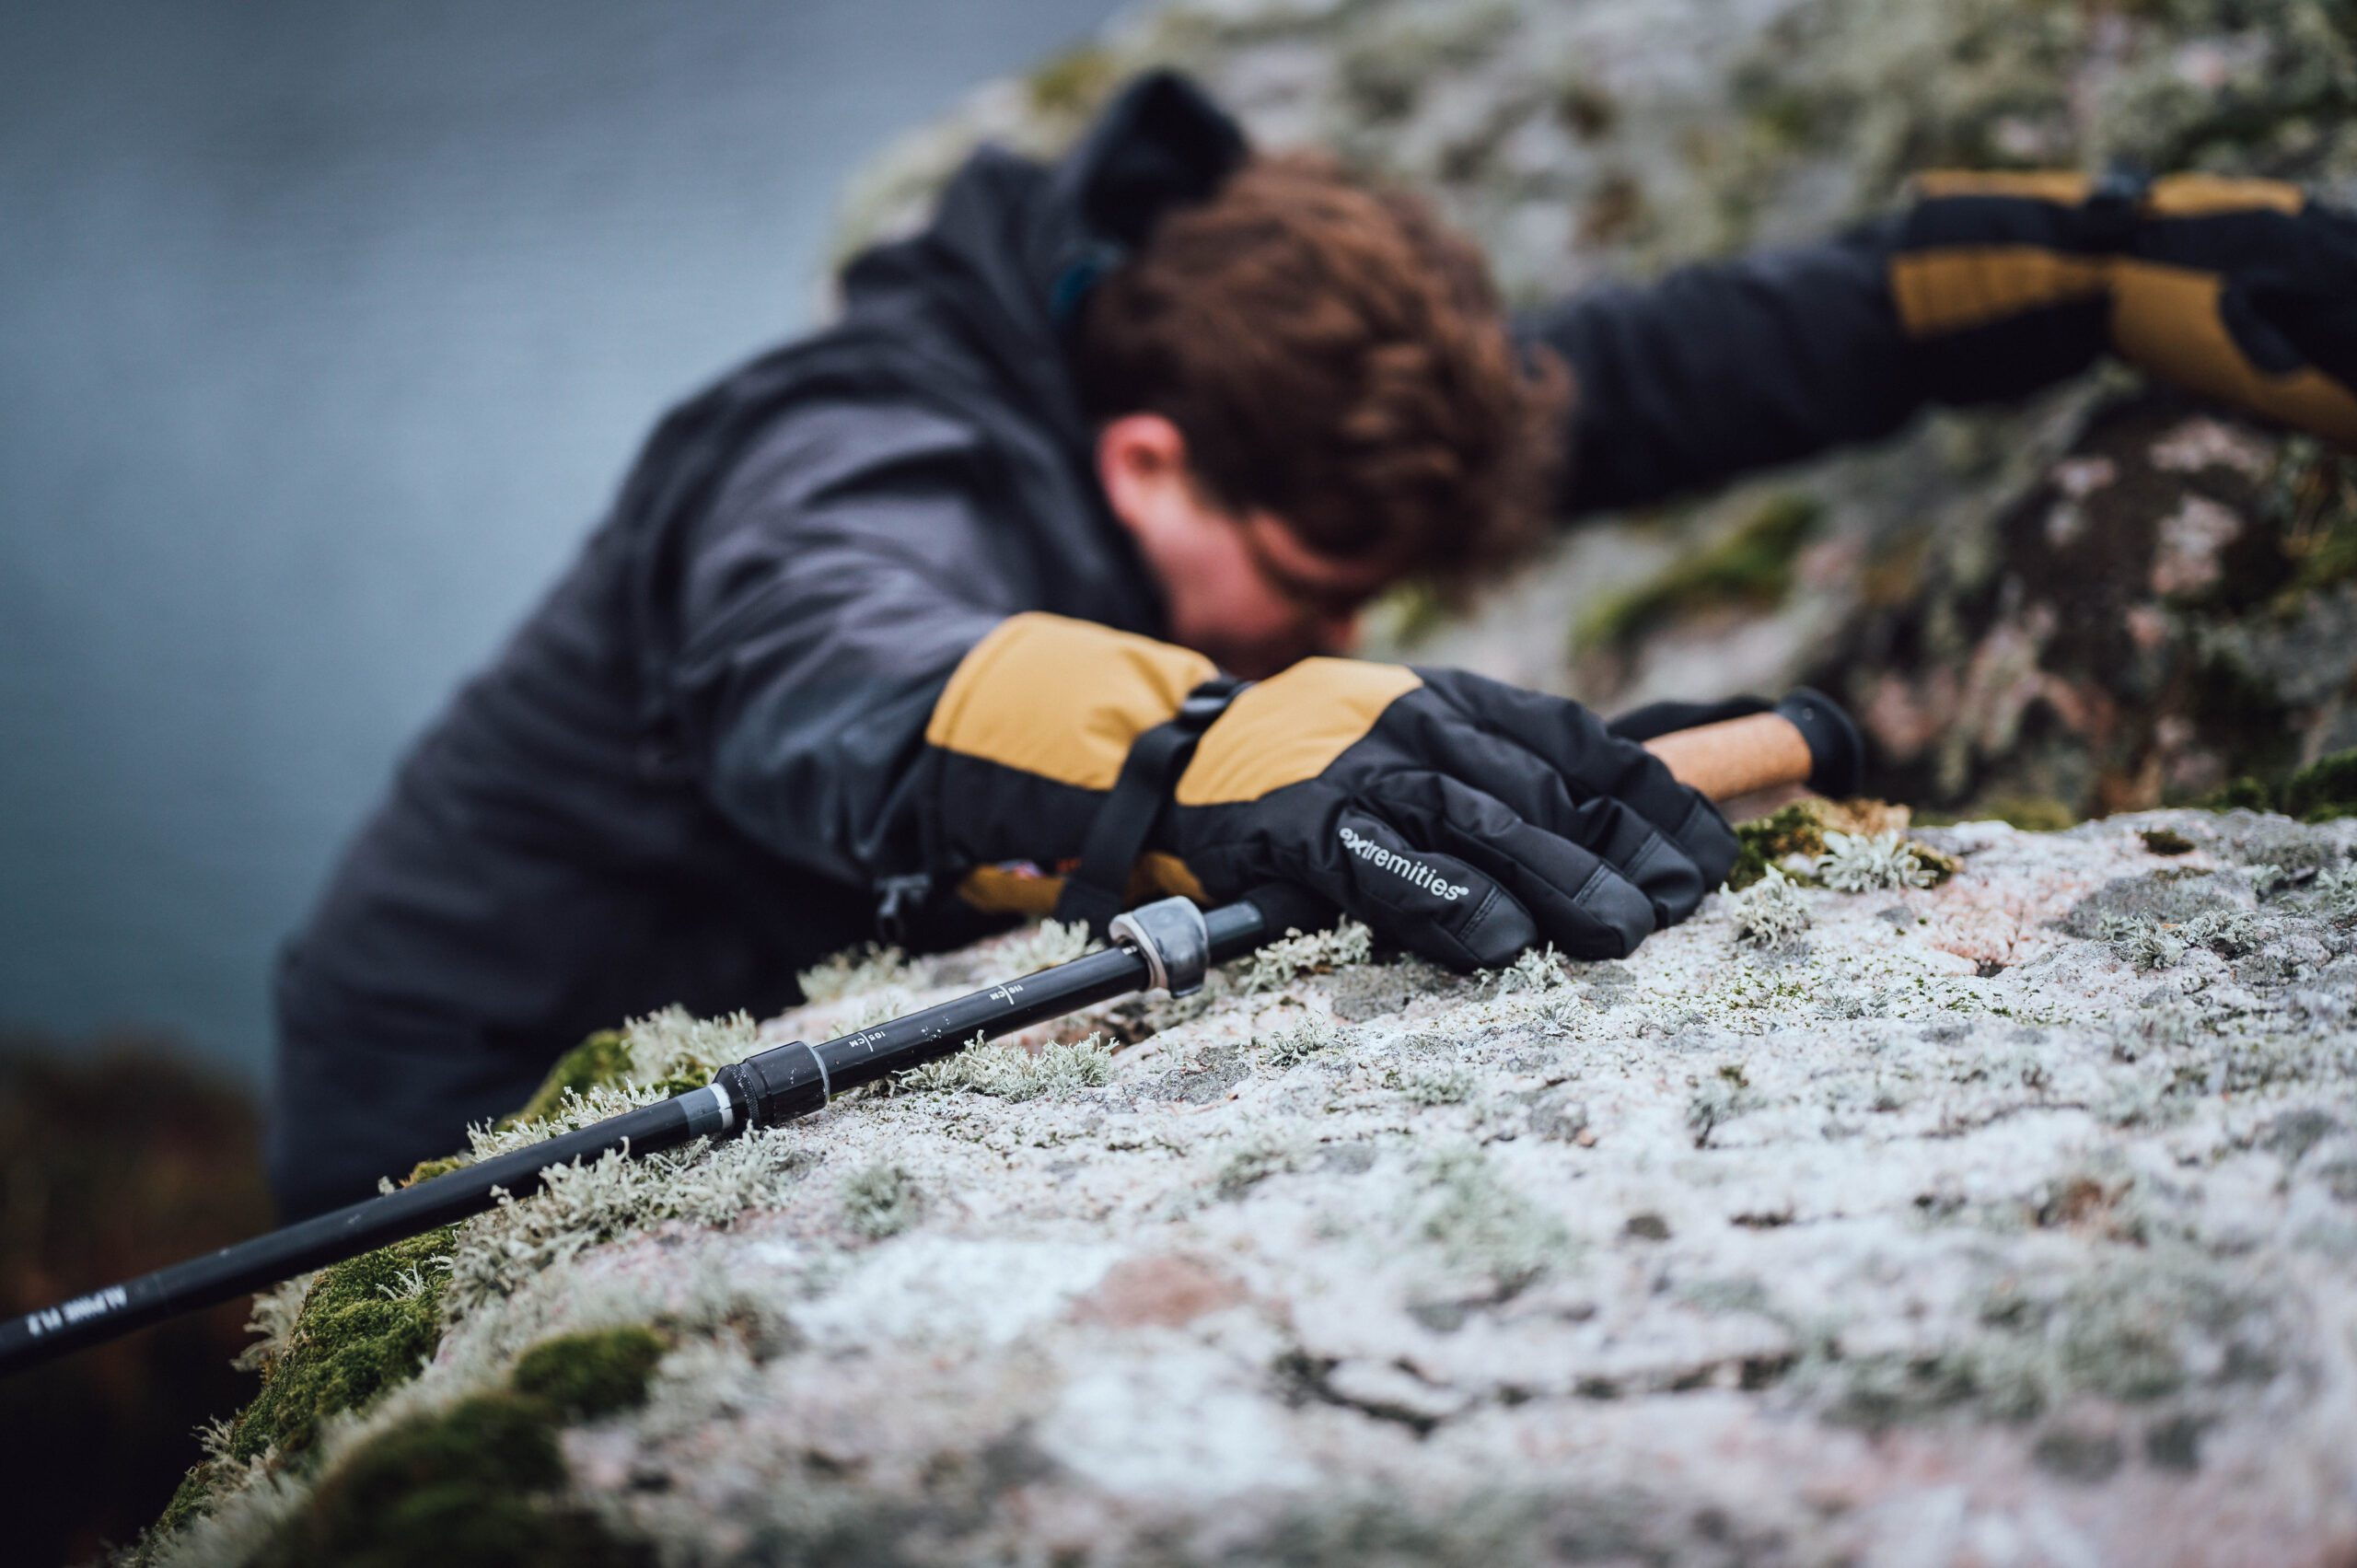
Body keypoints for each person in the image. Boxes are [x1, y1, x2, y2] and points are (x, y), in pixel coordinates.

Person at [268, 72, 2357, 1218]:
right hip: (467, 1069)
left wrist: (2056, 277)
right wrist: (1208, 750)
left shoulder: (1209, 354)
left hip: (820, 957)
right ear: (1152, 461)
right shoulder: (843, 451)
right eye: (1318, 588)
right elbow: (828, 669)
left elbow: (1637, 374)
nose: (1351, 630)